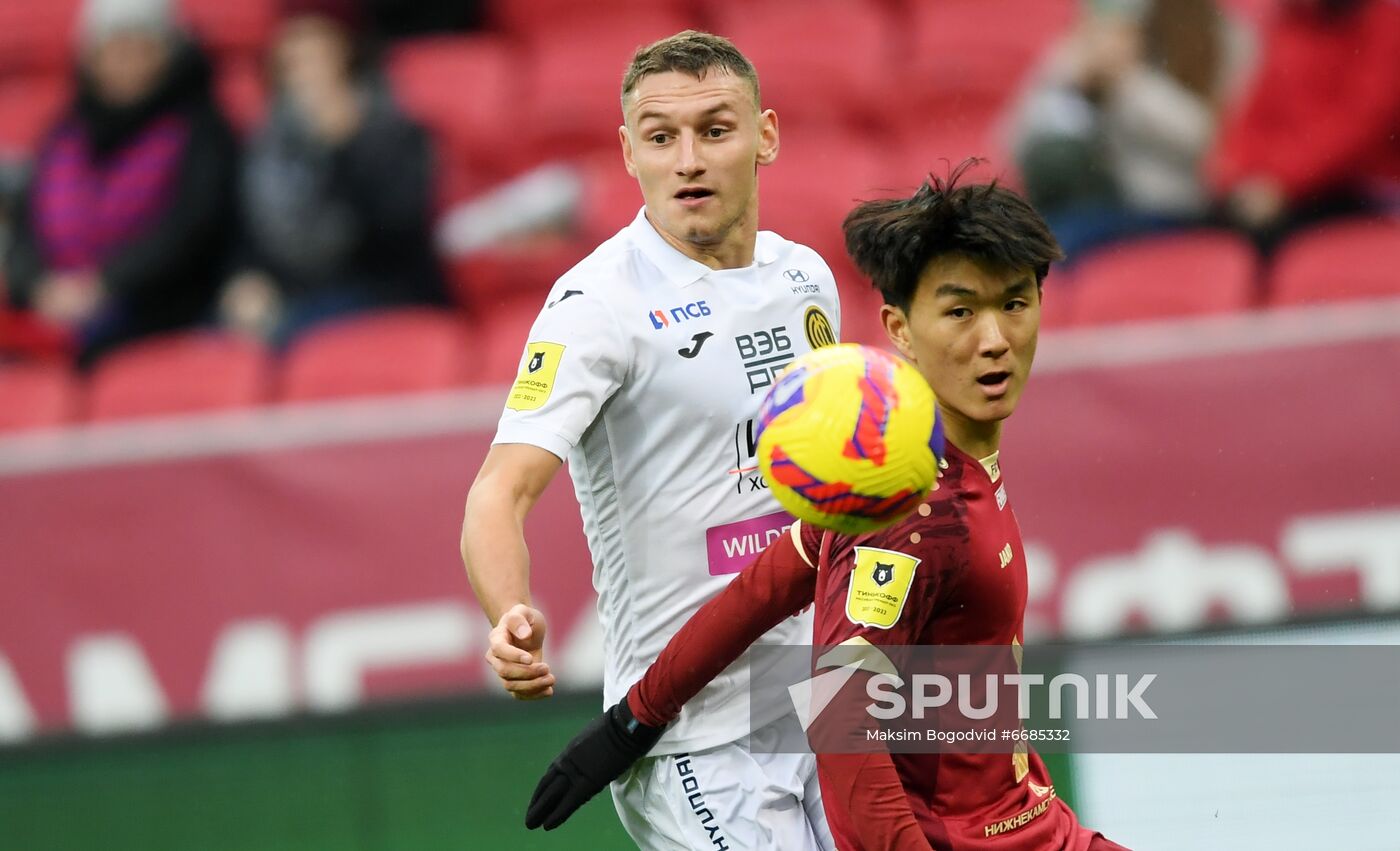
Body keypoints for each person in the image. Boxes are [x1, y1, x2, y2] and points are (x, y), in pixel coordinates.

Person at [526, 168, 1132, 850]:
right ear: (899, 328)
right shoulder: (917, 515)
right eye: (960, 312)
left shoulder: (889, 472)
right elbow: (845, 724)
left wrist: (634, 718)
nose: (993, 338)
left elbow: (768, 583)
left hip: (1037, 824)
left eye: (1015, 304)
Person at [460, 31, 842, 851]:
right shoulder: (595, 305)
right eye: (662, 138)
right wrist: (507, 614)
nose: (689, 160)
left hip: (826, 702)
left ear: (766, 136)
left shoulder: (805, 279)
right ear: (629, 153)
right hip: (693, 736)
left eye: (716, 129)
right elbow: (499, 490)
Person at [2, 0, 237, 365]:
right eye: (112, 50)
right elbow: (25, 230)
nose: (124, 63)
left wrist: (106, 284)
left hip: (159, 314)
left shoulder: (201, 131)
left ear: (167, 53)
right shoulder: (62, 134)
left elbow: (190, 227)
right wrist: (38, 286)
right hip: (55, 315)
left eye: (139, 48)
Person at [220, 0, 445, 346]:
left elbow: (399, 233)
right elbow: (249, 231)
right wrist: (247, 278)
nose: (306, 75)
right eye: (294, 62)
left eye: (317, 57)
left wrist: (345, 149)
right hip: (293, 293)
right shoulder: (267, 142)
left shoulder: (393, 130)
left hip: (379, 293)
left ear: (347, 57)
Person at [1010, 0, 1249, 258]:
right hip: (1094, 202)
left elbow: (1214, 142)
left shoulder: (1228, 38)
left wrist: (1127, 81)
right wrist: (1069, 79)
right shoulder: (1110, 24)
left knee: (1050, 250)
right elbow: (1014, 142)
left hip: (1175, 208)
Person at [1208, 0, 1400, 252]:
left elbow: (1361, 126)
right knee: (1198, 238)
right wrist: (1236, 174)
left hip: (1354, 190)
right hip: (1278, 195)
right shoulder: (1291, 22)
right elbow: (1256, 112)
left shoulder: (1385, 23)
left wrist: (1280, 183)